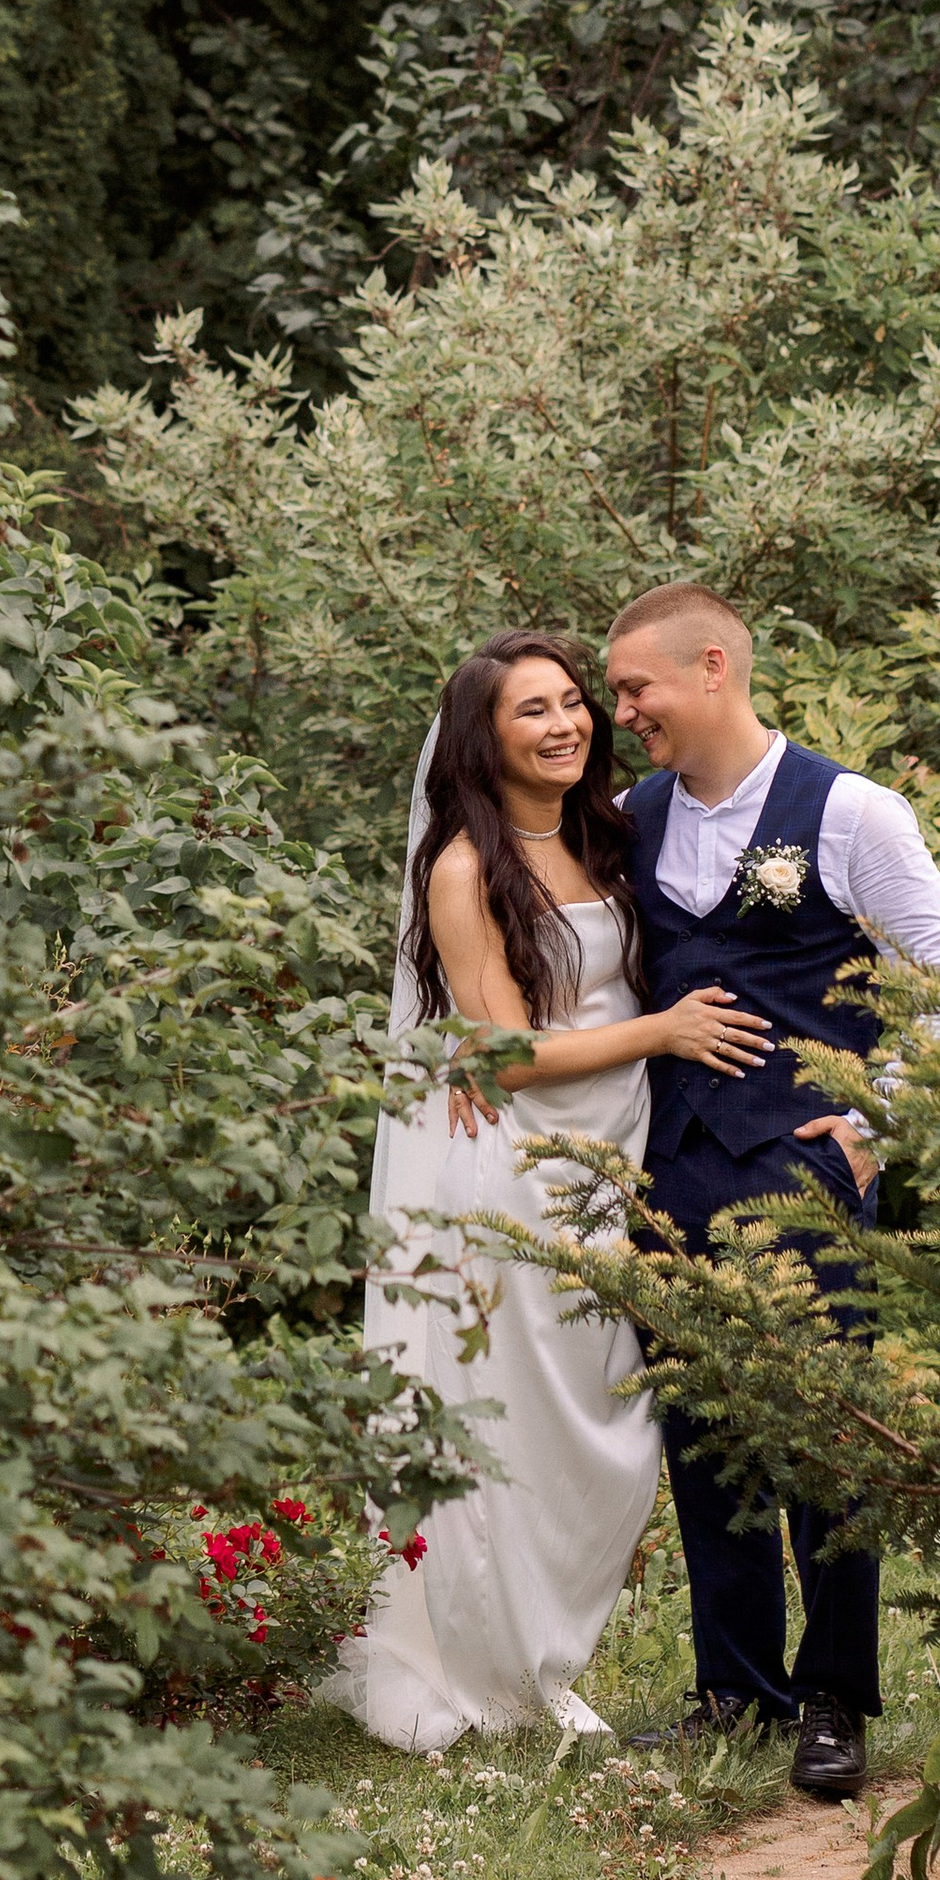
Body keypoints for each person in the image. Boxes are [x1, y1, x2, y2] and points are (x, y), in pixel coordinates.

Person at [321, 628, 775, 1750]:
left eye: (575, 702)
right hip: (517, 1171)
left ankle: (551, 1650)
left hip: (613, 1164)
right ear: (485, 734)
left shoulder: (602, 838)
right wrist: (661, 1033)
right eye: (535, 710)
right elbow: (502, 1055)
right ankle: (497, 1673)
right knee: (514, 1428)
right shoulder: (467, 869)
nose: (567, 723)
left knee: (603, 1427)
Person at [605, 579, 940, 1803]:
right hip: (670, 1168)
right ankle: (734, 1691)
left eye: (636, 688)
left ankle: (833, 1696)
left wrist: (876, 1123)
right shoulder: (628, 818)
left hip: (803, 1166)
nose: (624, 713)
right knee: (703, 1431)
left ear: (712, 666)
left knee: (826, 1433)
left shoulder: (851, 812)